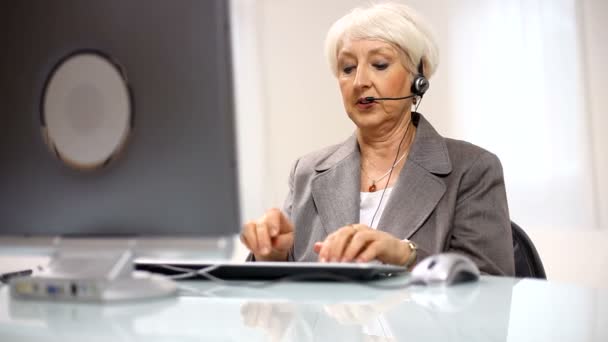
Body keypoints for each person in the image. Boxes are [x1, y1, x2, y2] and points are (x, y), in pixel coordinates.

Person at [240, 2, 515, 275]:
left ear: (419, 77)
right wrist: (272, 257)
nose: (359, 81)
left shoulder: (473, 169)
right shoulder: (307, 173)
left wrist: (405, 256)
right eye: (347, 68)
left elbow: (492, 293)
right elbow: (280, 308)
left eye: (379, 64)